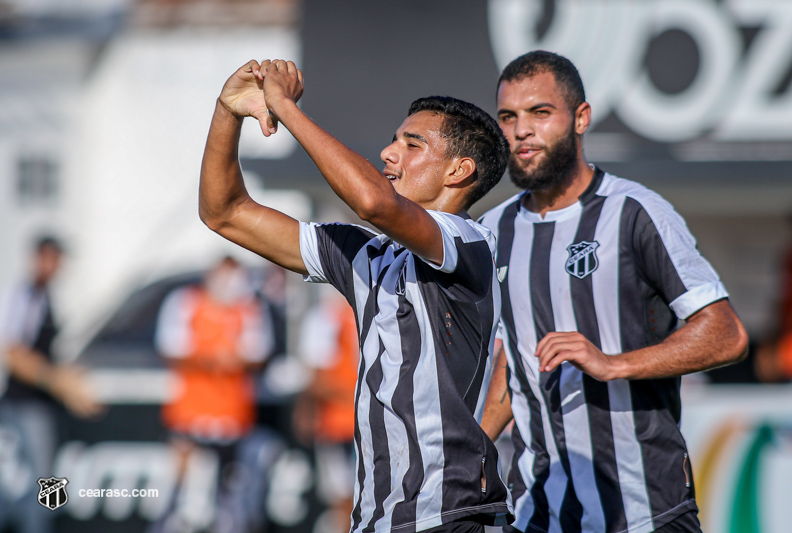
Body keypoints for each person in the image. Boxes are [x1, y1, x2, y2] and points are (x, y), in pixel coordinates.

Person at [199, 58, 513, 532]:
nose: (389, 153)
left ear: (459, 170)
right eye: (395, 139)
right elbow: (224, 212)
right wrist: (228, 111)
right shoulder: (369, 253)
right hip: (378, 519)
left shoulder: (469, 242)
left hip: (448, 516)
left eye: (412, 144)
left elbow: (373, 203)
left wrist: (283, 105)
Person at [477, 51, 748, 533]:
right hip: (537, 512)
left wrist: (614, 363)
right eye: (508, 117)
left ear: (581, 118)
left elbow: (725, 334)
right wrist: (473, 453)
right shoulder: (493, 230)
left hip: (645, 509)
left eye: (540, 113)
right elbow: (510, 359)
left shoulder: (636, 213)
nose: (521, 131)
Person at [153, 256, 273, 531]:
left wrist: (237, 361)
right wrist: (211, 359)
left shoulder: (249, 309)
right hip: (190, 411)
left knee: (229, 493)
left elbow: (259, 354)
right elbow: (170, 350)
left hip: (233, 413)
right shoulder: (185, 302)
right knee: (180, 490)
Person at [0, 236, 102, 533]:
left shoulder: (46, 298)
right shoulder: (23, 296)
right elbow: (15, 353)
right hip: (24, 404)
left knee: (37, 483)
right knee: (43, 482)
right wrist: (58, 381)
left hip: (39, 403)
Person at [293, 286, 359, 533]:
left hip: (365, 422)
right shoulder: (328, 316)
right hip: (340, 423)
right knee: (344, 499)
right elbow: (317, 378)